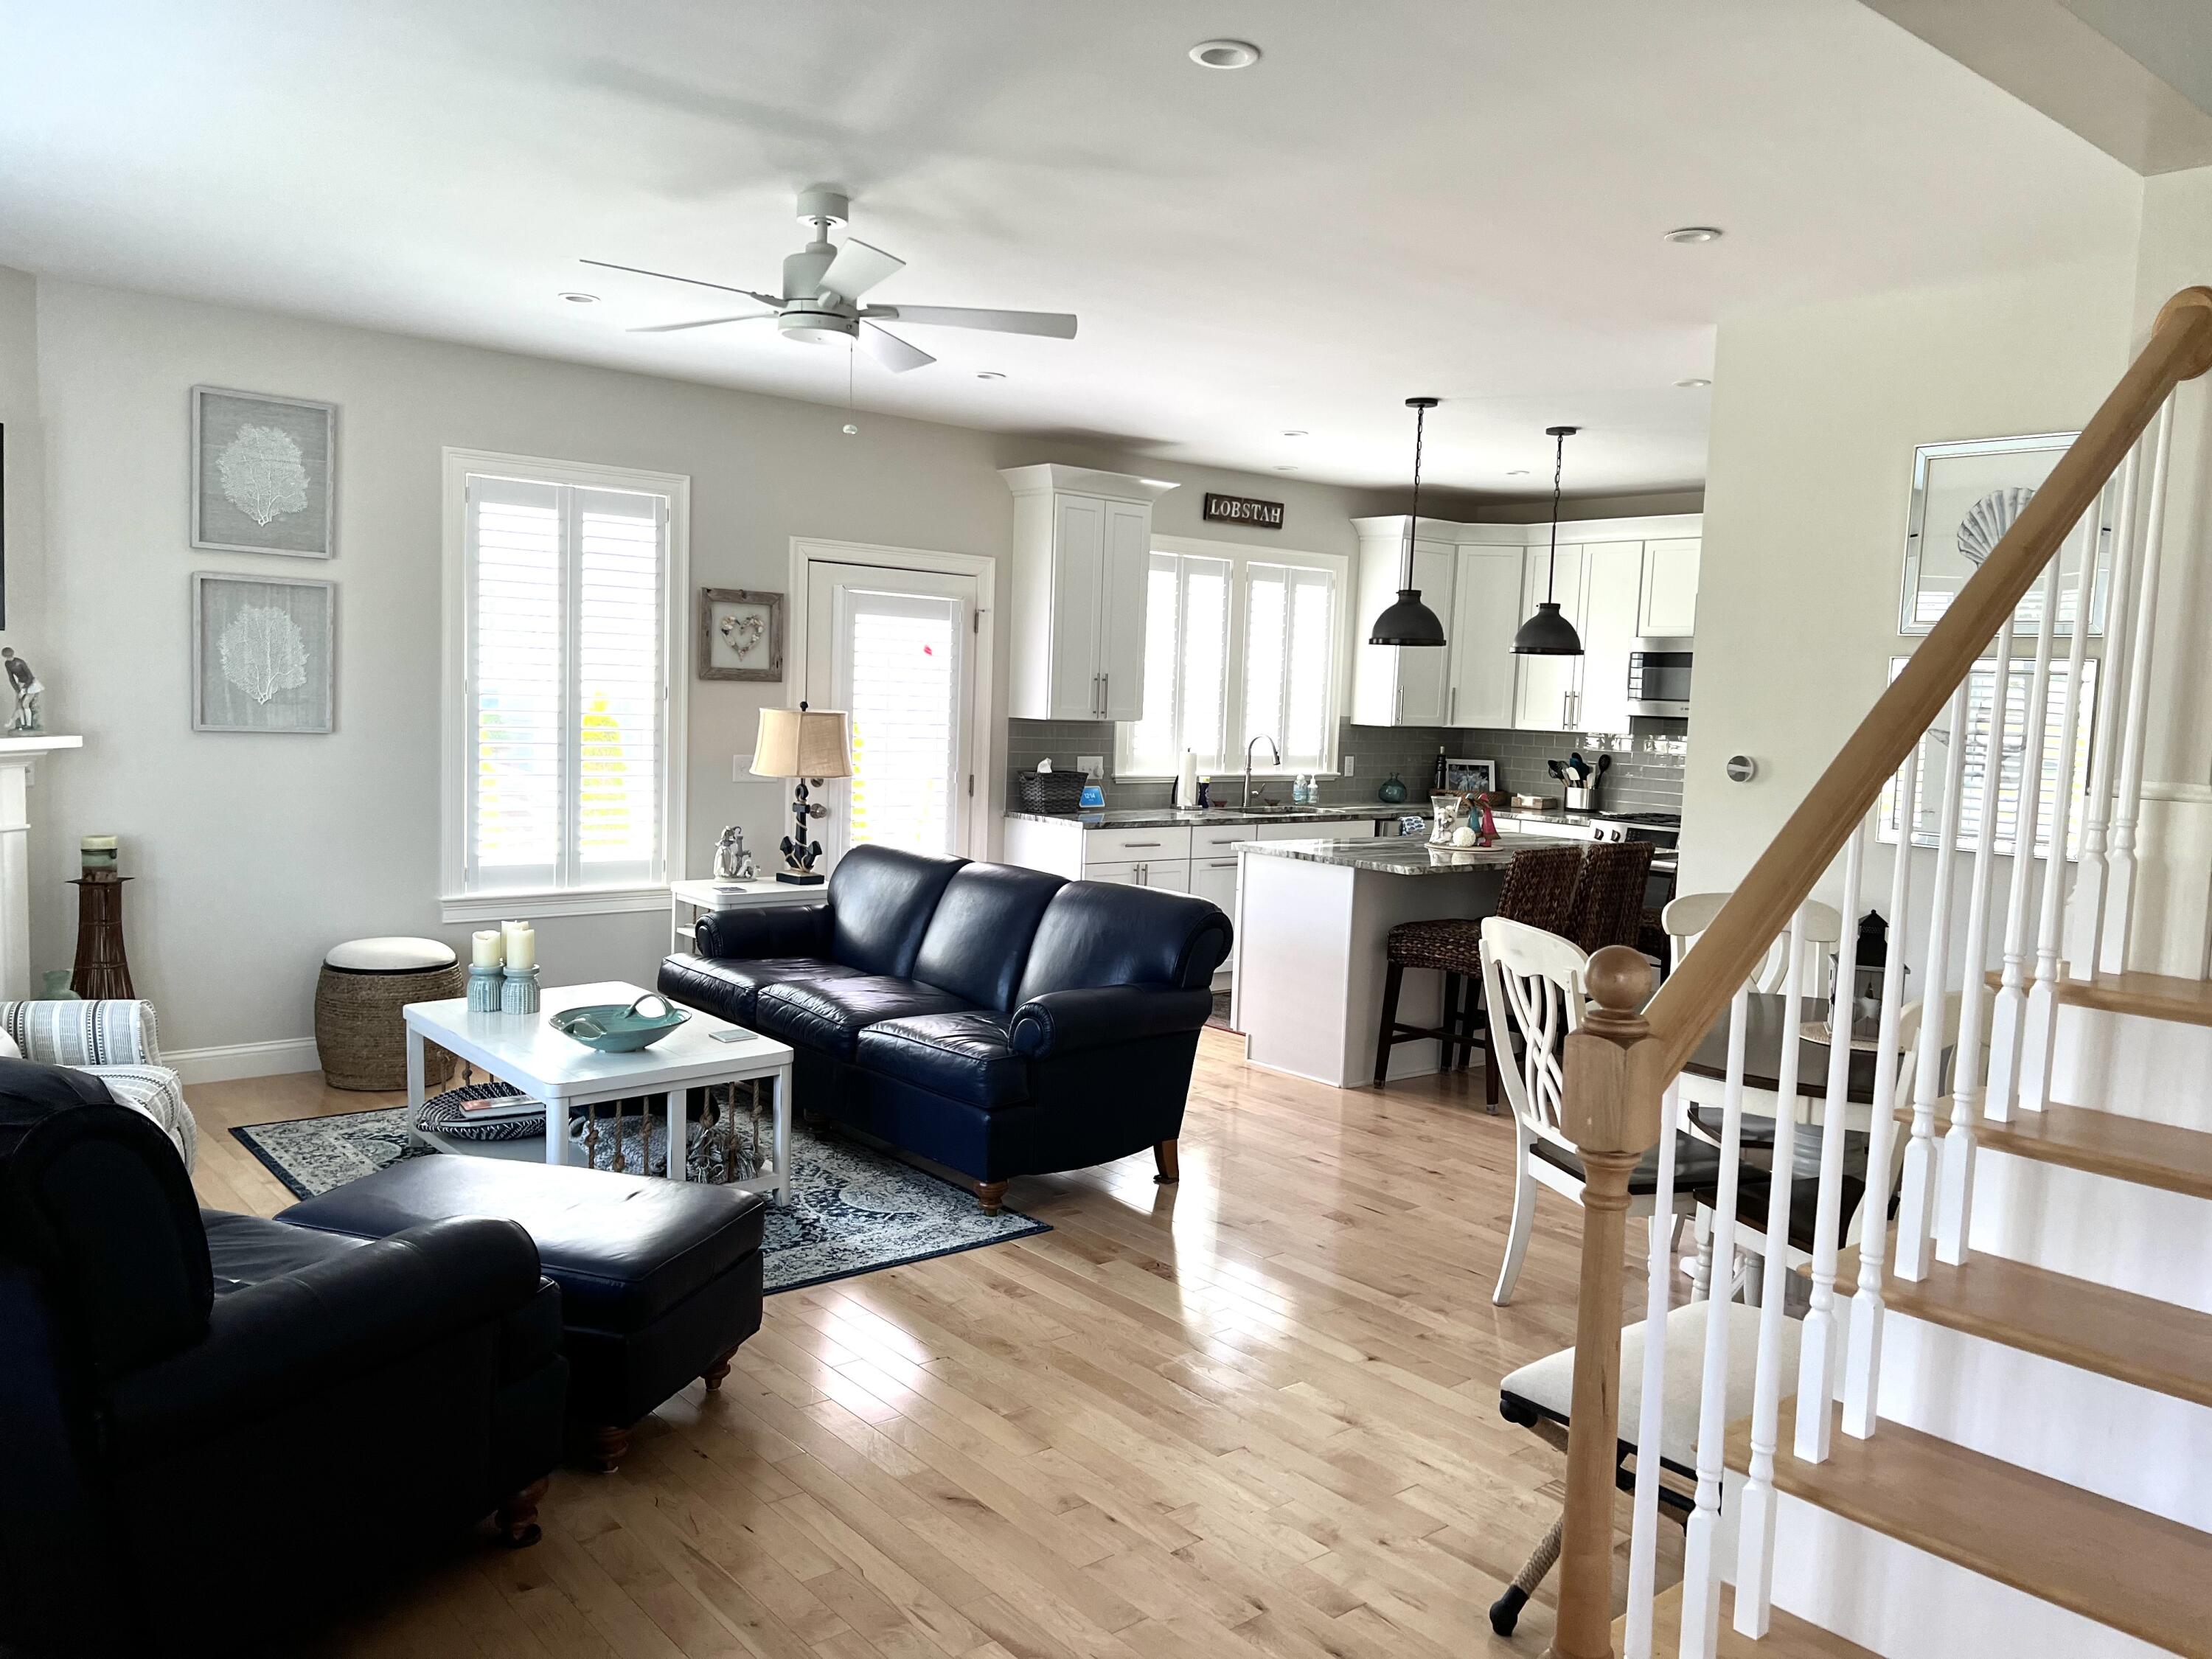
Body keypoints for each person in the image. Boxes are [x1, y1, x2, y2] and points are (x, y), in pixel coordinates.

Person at [2, 648, 42, 734]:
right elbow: (11, 678)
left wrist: (24, 689)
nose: (9, 658)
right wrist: (17, 689)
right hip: (20, 684)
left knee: (25, 704)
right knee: (19, 705)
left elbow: (30, 676)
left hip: (31, 684)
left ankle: (29, 725)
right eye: (7, 657)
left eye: (10, 656)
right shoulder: (7, 664)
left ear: (13, 654)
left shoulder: (20, 662)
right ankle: (23, 724)